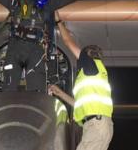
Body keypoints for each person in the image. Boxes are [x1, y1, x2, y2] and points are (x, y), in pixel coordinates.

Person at [48, 15, 114, 150]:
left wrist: (59, 22)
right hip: (96, 126)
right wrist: (59, 93)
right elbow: (78, 105)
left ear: (87, 56)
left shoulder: (91, 64)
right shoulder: (93, 75)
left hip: (96, 126)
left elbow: (67, 41)